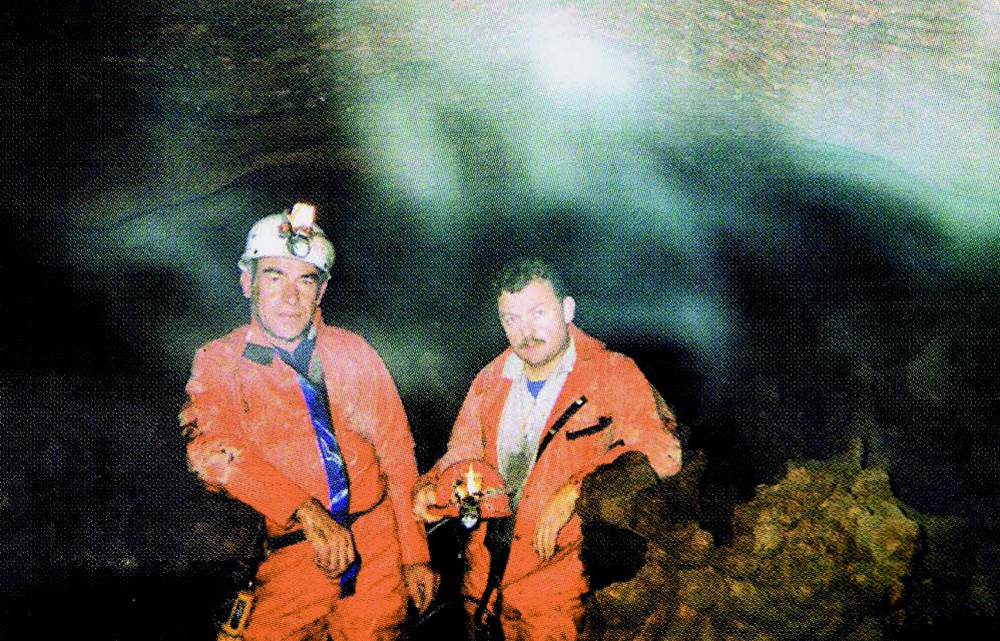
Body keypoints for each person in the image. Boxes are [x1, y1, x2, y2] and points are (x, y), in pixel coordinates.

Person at [180, 203, 438, 641]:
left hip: (375, 550)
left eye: (305, 280)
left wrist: (415, 554)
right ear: (247, 282)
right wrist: (303, 508)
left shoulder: (353, 352)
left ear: (321, 291)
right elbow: (209, 453)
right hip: (290, 554)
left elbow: (396, 453)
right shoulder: (219, 361)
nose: (290, 296)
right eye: (274, 277)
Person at [412, 258, 682, 640]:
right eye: (511, 319)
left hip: (562, 594)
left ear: (567, 309)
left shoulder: (611, 373)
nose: (526, 331)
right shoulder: (489, 381)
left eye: (538, 313)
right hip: (483, 587)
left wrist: (576, 490)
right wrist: (431, 485)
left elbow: (663, 453)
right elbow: (461, 454)